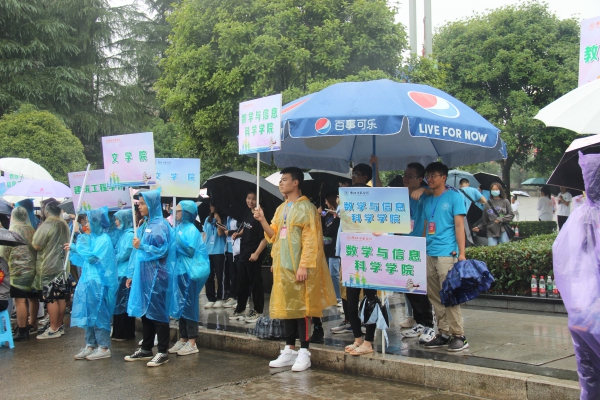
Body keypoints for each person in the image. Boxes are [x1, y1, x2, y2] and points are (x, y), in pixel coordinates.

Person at [254, 167, 336, 372]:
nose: (281, 183)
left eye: (285, 179)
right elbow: (273, 235)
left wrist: (303, 265)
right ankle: (289, 348)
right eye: (280, 180)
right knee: (288, 309)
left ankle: (304, 350)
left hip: (299, 267)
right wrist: (262, 220)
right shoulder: (281, 208)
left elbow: (311, 241)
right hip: (284, 267)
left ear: (296, 182)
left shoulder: (307, 208)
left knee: (303, 309)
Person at [421, 162, 469, 351]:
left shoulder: (455, 197)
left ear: (443, 178)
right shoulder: (427, 199)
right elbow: (427, 226)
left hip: (447, 253)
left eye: (433, 175)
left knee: (449, 294)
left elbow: (459, 226)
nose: (430, 179)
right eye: (428, 176)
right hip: (430, 252)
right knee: (434, 296)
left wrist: (462, 253)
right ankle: (443, 332)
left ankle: (459, 335)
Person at [125, 188, 175, 367]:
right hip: (145, 275)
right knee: (146, 312)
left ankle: (163, 351)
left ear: (152, 204)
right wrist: (132, 274)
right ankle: (146, 348)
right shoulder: (146, 225)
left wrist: (143, 246)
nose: (139, 206)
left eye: (142, 203)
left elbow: (162, 251)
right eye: (138, 203)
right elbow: (136, 254)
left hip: (158, 276)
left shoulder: (160, 225)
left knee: (159, 312)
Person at [341, 162, 382, 356]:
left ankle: (369, 341)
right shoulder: (347, 206)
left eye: (356, 174)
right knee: (350, 301)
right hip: (352, 256)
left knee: (370, 299)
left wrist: (380, 231)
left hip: (370, 257)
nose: (353, 177)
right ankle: (357, 337)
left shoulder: (375, 206)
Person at [68, 207, 118, 360]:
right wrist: (76, 248)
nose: (86, 225)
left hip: (99, 282)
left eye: (89, 222)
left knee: (99, 314)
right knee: (88, 314)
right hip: (88, 280)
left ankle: (103, 347)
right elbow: (84, 259)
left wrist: (77, 247)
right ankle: (90, 345)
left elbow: (92, 258)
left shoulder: (104, 239)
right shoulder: (94, 238)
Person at [168, 201, 210, 356]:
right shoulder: (179, 228)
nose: (175, 213)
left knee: (190, 305)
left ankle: (192, 342)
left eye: (178, 211)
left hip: (189, 272)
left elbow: (190, 251)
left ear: (186, 213)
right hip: (180, 271)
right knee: (181, 305)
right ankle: (183, 338)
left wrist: (177, 239)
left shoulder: (191, 230)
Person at [400, 163, 436, 344]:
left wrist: (423, 189)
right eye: (405, 175)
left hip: (419, 246)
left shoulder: (424, 195)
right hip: (403, 245)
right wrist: (376, 166)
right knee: (410, 287)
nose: (406, 179)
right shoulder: (401, 195)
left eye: (410, 176)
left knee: (420, 287)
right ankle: (419, 322)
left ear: (420, 179)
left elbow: (435, 192)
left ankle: (428, 323)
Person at [32, 201, 70, 339]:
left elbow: (36, 244)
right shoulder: (64, 224)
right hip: (62, 266)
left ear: (47, 211)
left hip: (48, 266)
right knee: (60, 297)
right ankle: (59, 325)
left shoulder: (47, 225)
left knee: (51, 298)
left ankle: (53, 328)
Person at [229, 191, 267, 323]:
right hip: (244, 252)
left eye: (253, 199)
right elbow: (246, 228)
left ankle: (258, 310)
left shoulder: (261, 215)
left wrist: (256, 253)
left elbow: (266, 237)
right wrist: (238, 234)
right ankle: (240, 308)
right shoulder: (247, 212)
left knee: (255, 283)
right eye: (248, 198)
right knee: (242, 281)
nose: (250, 201)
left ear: (259, 200)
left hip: (254, 253)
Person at [1, 207, 37, 341]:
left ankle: (22, 330)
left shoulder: (13, 231)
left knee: (20, 300)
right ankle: (32, 324)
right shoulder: (32, 229)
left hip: (18, 272)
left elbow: (4, 252)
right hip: (33, 269)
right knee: (32, 297)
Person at [111, 210, 136, 341]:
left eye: (118, 219)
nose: (116, 222)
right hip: (120, 272)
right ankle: (118, 331)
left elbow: (125, 253)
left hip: (125, 273)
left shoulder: (130, 235)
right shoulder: (123, 234)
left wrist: (112, 260)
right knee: (119, 303)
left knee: (123, 303)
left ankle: (124, 332)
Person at [203, 202, 226, 308]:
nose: (211, 207)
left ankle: (220, 297)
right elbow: (205, 235)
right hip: (208, 250)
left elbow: (220, 233)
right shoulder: (207, 219)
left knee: (220, 275)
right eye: (210, 205)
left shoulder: (223, 219)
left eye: (213, 205)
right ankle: (211, 298)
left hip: (219, 250)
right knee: (209, 275)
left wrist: (219, 221)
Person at [223, 215, 239, 308]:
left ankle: (241, 296)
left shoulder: (239, 216)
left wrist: (229, 232)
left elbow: (241, 229)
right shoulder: (228, 217)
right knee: (232, 273)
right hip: (229, 248)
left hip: (238, 248)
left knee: (239, 273)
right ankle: (233, 295)